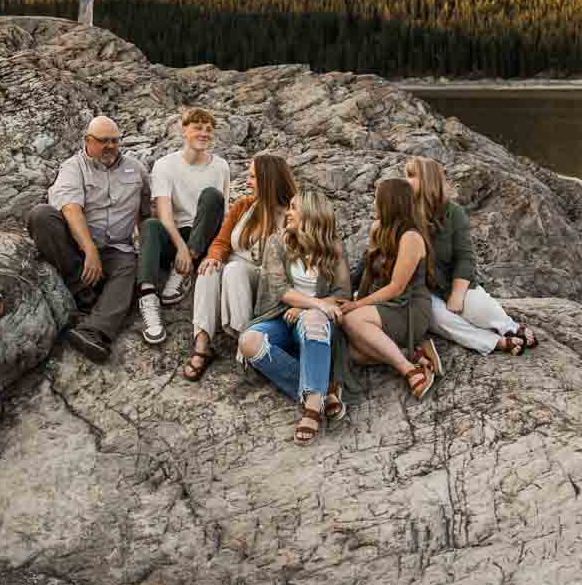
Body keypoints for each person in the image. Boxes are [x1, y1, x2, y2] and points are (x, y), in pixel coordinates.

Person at [26, 115, 152, 361]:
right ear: (88, 141)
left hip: (117, 250)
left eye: (115, 141)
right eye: (104, 141)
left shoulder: (136, 169)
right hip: (79, 245)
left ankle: (94, 331)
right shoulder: (73, 167)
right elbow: (71, 209)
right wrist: (90, 250)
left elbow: (146, 213)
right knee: (41, 215)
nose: (111, 146)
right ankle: (83, 293)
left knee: (129, 265)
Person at [237, 187, 351, 443]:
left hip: (315, 321)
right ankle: (325, 392)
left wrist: (309, 307)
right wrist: (315, 303)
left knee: (313, 319)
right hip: (280, 316)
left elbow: (342, 293)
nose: (287, 213)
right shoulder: (277, 242)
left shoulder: (333, 247)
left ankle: (311, 408)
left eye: (294, 208)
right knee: (249, 342)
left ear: (311, 213)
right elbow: (280, 290)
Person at [406, 156, 536, 355]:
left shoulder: (454, 212)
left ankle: (510, 327)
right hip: (421, 290)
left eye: (412, 176)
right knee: (440, 319)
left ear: (427, 180)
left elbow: (465, 257)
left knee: (478, 307)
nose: (406, 181)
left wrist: (457, 295)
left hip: (452, 282)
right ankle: (496, 342)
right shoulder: (404, 213)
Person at [184, 153, 295, 381]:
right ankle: (202, 344)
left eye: (253, 177)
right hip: (232, 270)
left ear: (269, 180)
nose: (248, 182)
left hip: (263, 279)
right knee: (209, 268)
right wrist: (214, 256)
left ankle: (247, 346)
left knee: (233, 270)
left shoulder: (290, 214)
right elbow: (222, 242)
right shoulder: (244, 205)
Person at [136, 108, 230, 345]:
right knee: (150, 225)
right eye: (198, 127)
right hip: (176, 236)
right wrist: (181, 249)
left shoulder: (221, 166)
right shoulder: (165, 165)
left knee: (211, 196)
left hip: (205, 236)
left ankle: (182, 273)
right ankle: (148, 300)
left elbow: (223, 211)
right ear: (184, 130)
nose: (204, 133)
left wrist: (201, 252)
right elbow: (165, 215)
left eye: (209, 129)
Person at [339, 177, 439, 399]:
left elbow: (396, 287)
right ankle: (413, 353)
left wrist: (357, 306)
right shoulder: (379, 229)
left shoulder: (411, 237)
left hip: (408, 306)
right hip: (385, 304)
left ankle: (410, 371)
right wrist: (351, 297)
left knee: (352, 321)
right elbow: (367, 271)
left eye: (377, 198)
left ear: (389, 202)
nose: (373, 203)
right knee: (352, 352)